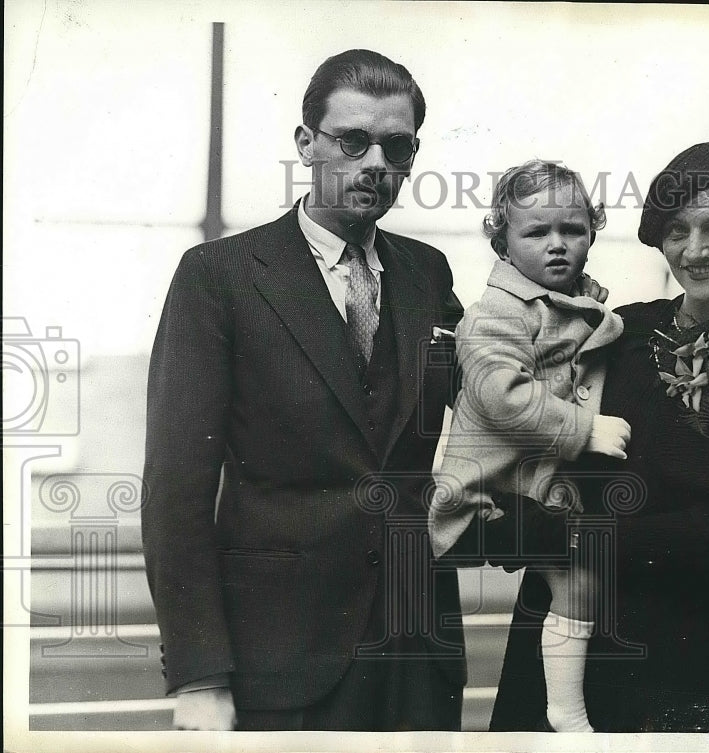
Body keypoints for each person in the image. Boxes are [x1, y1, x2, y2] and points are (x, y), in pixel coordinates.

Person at [142, 49, 468, 731]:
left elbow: (484, 398)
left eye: (397, 145)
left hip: (415, 653)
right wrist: (200, 675)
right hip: (280, 660)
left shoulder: (426, 273)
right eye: (353, 140)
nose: (376, 163)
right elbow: (176, 489)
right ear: (305, 144)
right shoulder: (220, 275)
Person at [488, 142, 709, 732]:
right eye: (677, 231)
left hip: (675, 645)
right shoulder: (623, 330)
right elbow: (532, 420)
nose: (694, 251)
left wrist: (578, 534)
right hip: (555, 626)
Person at [428, 160, 631, 732]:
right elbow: (500, 395)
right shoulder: (498, 311)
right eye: (536, 232)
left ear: (593, 230)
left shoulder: (566, 302)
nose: (557, 245)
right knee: (581, 574)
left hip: (531, 484)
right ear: (502, 240)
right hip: (483, 492)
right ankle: (567, 714)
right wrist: (584, 429)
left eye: (572, 229)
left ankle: (564, 707)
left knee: (586, 571)